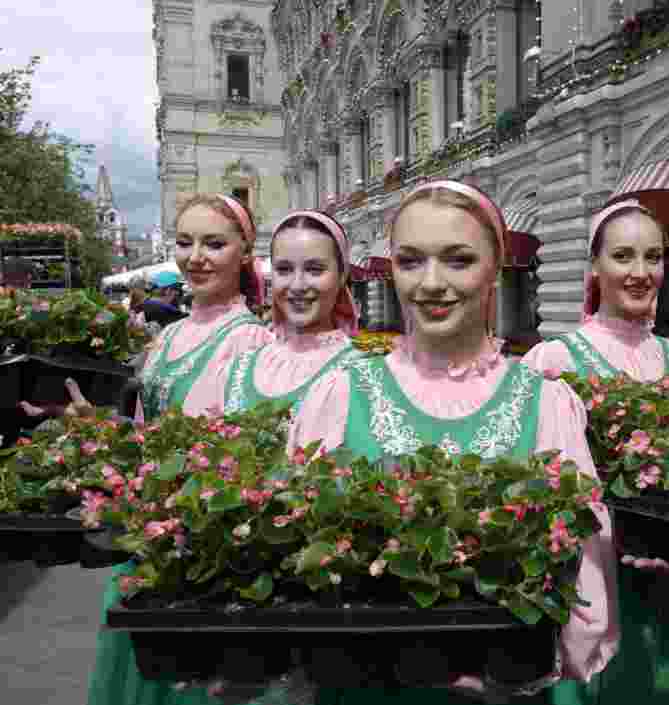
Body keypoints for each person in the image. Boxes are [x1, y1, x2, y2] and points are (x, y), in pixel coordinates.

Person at [290, 179, 619, 704]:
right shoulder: (337, 396)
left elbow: (584, 564)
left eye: (459, 260)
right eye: (411, 261)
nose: (431, 283)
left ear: (495, 268)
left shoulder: (545, 404)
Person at [83, 193, 275, 705]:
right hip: (150, 540)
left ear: (244, 252)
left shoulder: (250, 341)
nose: (197, 257)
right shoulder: (168, 339)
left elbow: (246, 459)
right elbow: (143, 438)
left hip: (207, 552)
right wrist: (92, 430)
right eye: (185, 242)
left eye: (214, 243)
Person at [521, 199, 669, 705]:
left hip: (660, 585)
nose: (640, 272)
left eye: (653, 257)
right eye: (623, 256)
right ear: (595, 266)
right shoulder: (554, 359)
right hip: (579, 587)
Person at [183, 209, 362, 419]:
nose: (298, 285)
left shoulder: (363, 373)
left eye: (315, 269)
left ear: (342, 276)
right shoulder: (236, 369)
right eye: (284, 269)